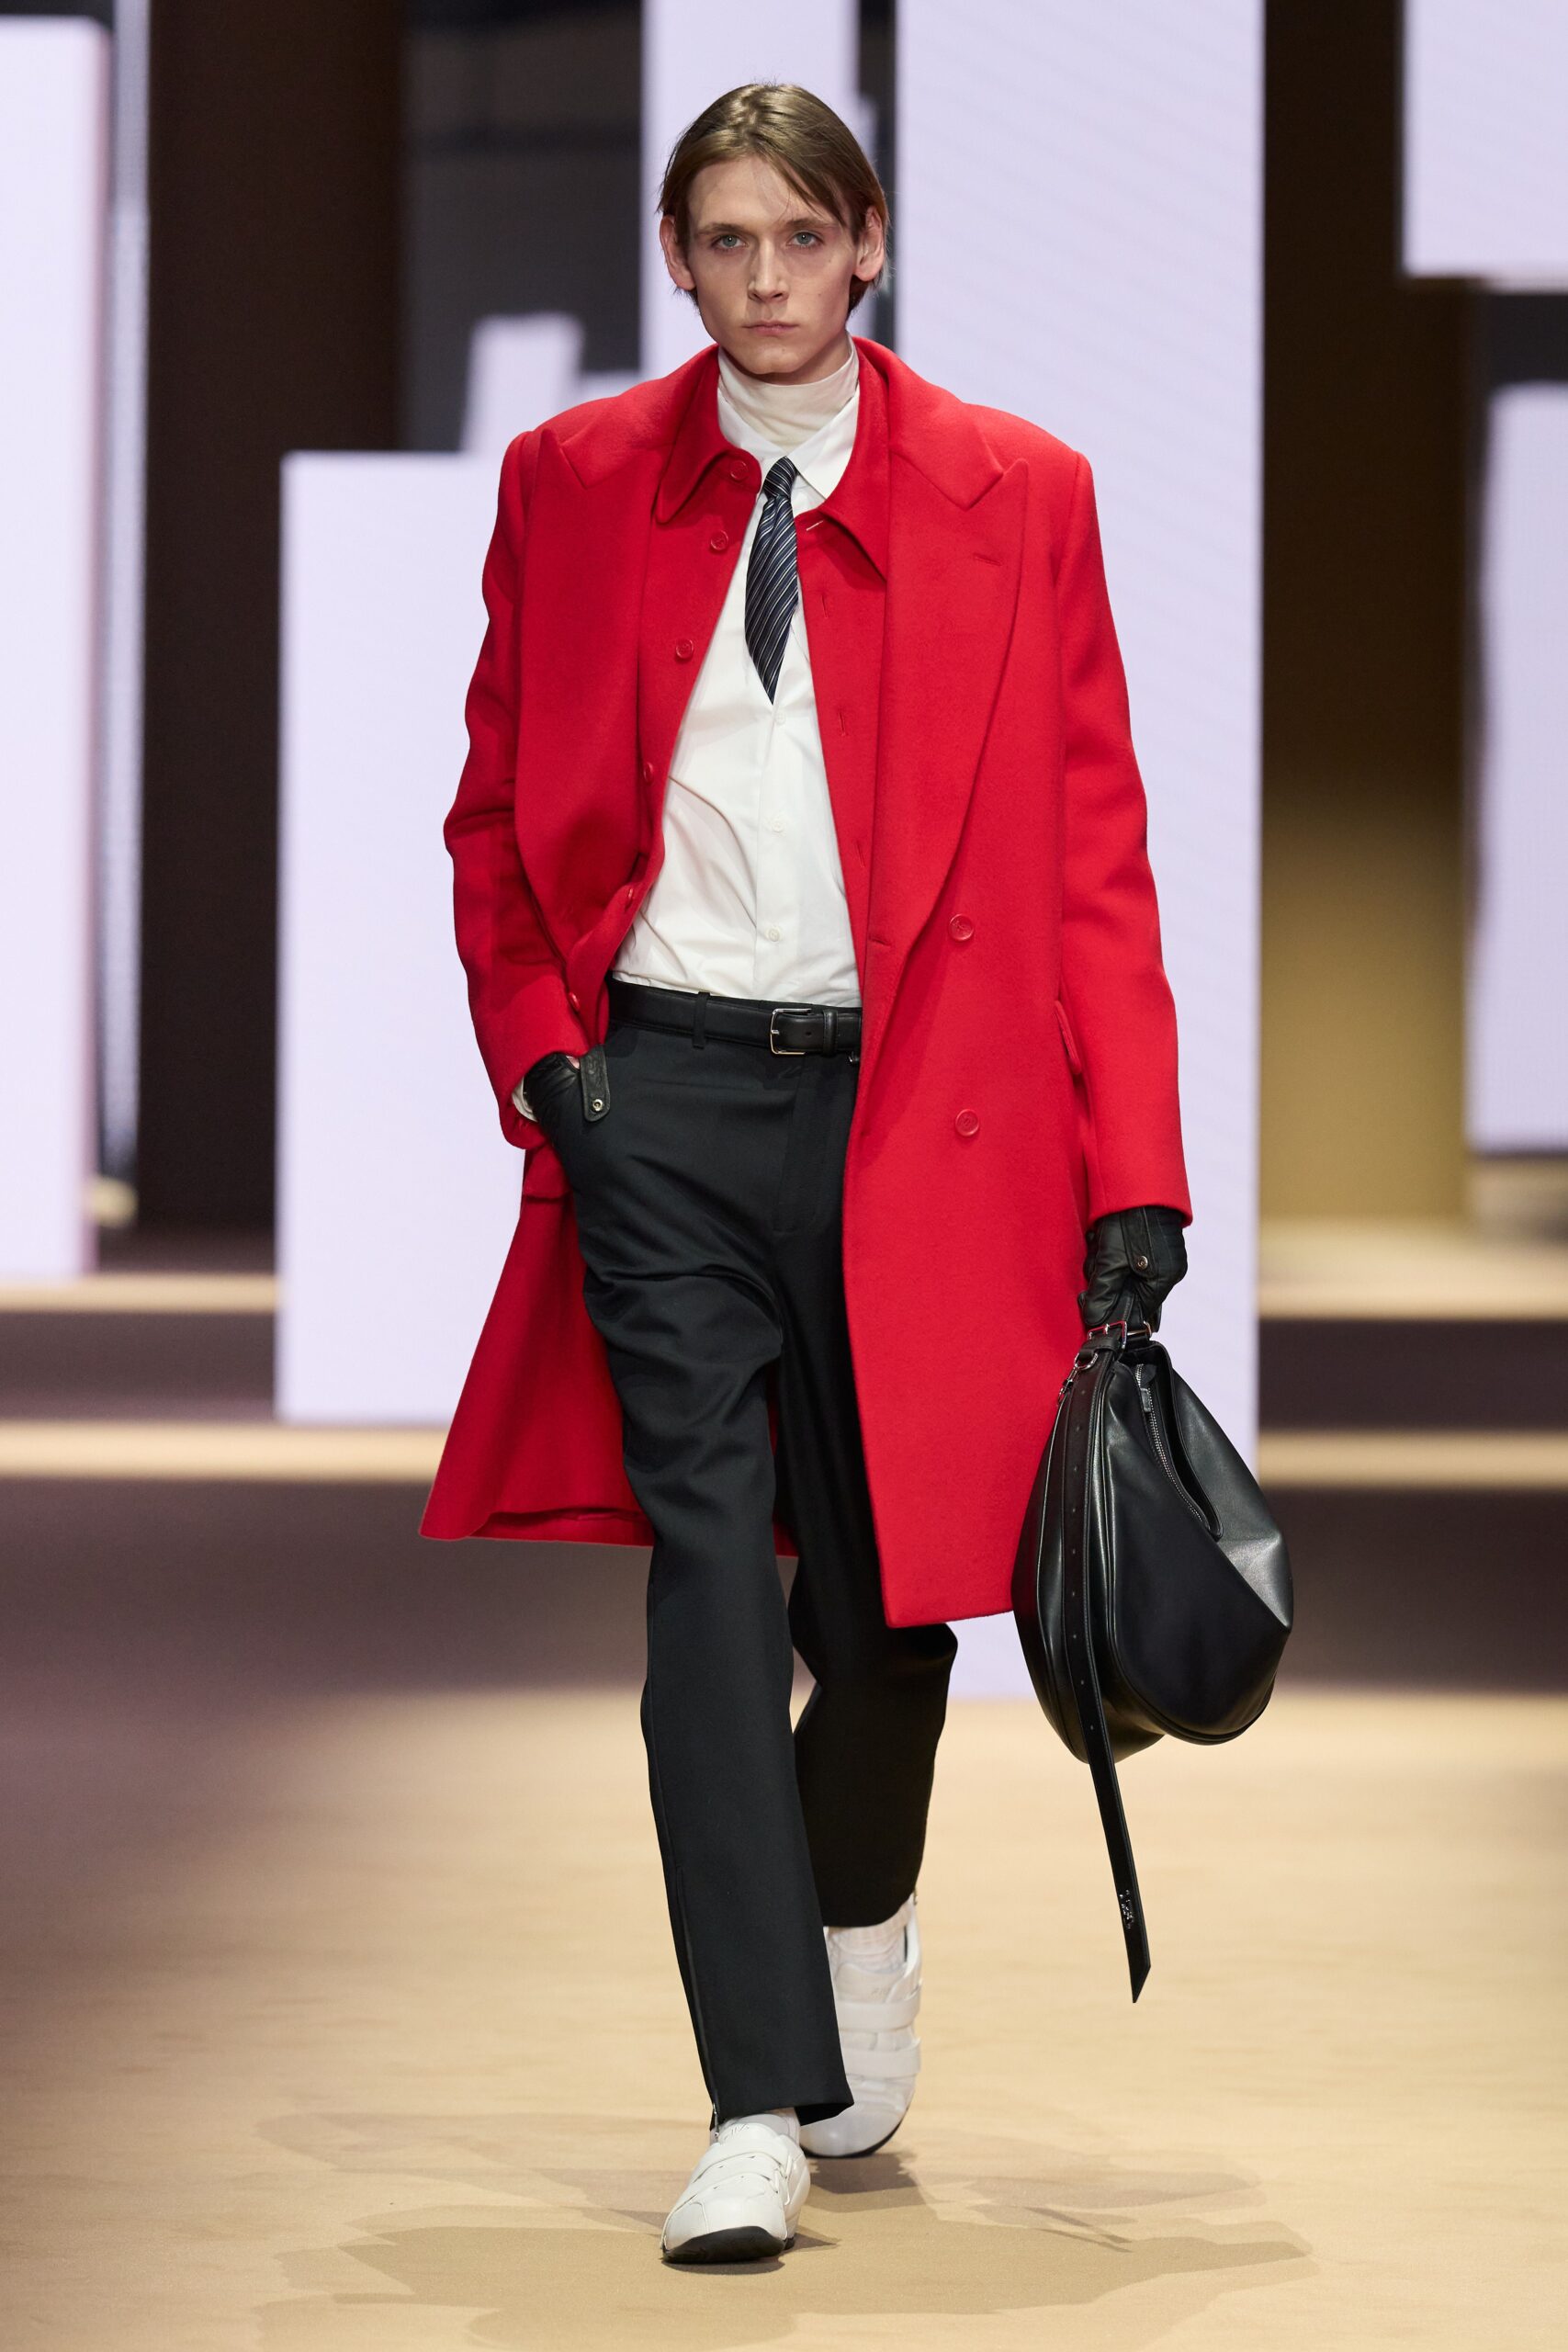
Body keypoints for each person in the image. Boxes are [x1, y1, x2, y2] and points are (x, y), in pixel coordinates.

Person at [423, 81, 1191, 2266]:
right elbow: (495, 811)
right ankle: (750, 2099)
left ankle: (855, 1922)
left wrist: (1132, 1166)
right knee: (700, 1582)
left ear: (867, 245)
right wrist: (551, 1066)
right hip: (658, 1104)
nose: (760, 279)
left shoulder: (1016, 492)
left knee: (877, 1614)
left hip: (914, 1117)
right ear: (675, 258)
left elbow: (1093, 851)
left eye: (796, 236)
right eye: (721, 240)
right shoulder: (572, 479)